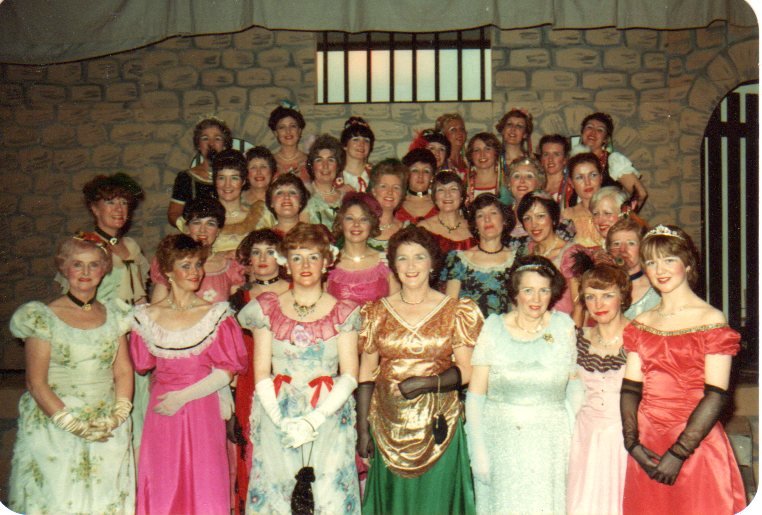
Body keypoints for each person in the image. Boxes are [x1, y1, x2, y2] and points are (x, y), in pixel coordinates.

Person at [357, 225, 484, 514]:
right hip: (387, 427)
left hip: (439, 426)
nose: (411, 266)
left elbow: (467, 370)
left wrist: (426, 383)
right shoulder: (376, 311)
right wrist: (363, 430)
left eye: (419, 257)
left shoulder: (455, 310)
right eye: (402, 258)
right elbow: (366, 372)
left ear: (432, 263)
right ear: (393, 265)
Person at [620, 225, 746, 514]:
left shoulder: (711, 319)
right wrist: (632, 444)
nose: (659, 270)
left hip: (694, 441)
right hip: (647, 442)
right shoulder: (642, 323)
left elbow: (716, 395)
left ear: (687, 264)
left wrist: (679, 453)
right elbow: (630, 389)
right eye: (651, 262)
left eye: (669, 260)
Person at [237, 223, 361, 514]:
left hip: (327, 415)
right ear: (286, 264)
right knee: (279, 496)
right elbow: (261, 374)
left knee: (328, 496)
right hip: (279, 413)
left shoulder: (343, 311)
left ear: (326, 263)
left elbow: (350, 376)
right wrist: (281, 421)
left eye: (313, 257)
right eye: (297, 257)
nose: (305, 265)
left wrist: (313, 421)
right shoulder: (267, 308)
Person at [8, 235, 134, 513]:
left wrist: (119, 414)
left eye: (94, 265)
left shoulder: (115, 314)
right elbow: (36, 382)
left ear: (104, 270)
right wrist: (70, 423)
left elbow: (124, 370)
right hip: (57, 422)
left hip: (105, 424)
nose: (86, 272)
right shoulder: (43, 317)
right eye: (78, 264)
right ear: (64, 269)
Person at [130, 234, 248, 515]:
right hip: (163, 407)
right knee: (163, 478)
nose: (195, 272)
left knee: (204, 479)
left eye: (197, 265)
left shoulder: (215, 314)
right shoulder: (147, 316)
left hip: (201, 404)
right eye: (186, 266)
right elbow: (142, 364)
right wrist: (172, 397)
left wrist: (183, 396)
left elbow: (227, 370)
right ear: (168, 272)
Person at [466, 254, 580, 514]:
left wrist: (574, 436)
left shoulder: (563, 327)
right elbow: (475, 396)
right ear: (516, 292)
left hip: (551, 443)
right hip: (502, 441)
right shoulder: (493, 328)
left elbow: (574, 387)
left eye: (544, 291)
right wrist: (478, 449)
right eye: (528, 290)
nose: (536, 299)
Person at [228, 229, 290, 515]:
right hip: (249, 383)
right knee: (252, 452)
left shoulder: (295, 291)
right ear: (248, 259)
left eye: (270, 251)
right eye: (256, 252)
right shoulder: (238, 298)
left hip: (288, 380)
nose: (263, 258)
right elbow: (231, 351)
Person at [567, 264, 632, 515]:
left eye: (607, 295)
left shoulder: (640, 337)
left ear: (622, 296)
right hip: (584, 439)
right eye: (591, 296)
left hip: (625, 438)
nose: (598, 304)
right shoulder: (577, 339)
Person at [151, 197, 245, 304]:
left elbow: (237, 309)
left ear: (218, 230)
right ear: (187, 228)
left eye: (210, 223)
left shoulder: (230, 263)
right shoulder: (171, 259)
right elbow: (157, 307)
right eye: (196, 222)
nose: (203, 230)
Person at [79, 172, 148, 305]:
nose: (119, 209)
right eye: (110, 202)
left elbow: (140, 298)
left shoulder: (131, 245)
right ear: (95, 209)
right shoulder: (85, 246)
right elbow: (81, 301)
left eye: (124, 202)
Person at [443, 193, 516, 317]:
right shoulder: (459, 260)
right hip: (467, 328)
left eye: (493, 213)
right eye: (480, 215)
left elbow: (518, 309)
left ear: (504, 220)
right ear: (475, 225)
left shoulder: (517, 260)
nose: (487, 219)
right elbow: (449, 309)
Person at [518, 191, 585, 324]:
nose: (534, 224)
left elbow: (580, 306)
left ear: (553, 219)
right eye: (527, 218)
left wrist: (572, 335)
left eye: (540, 216)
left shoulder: (571, 253)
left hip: (562, 328)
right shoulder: (524, 252)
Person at [327, 193, 398, 307]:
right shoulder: (328, 263)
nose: (356, 224)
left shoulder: (385, 261)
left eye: (364, 219)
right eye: (350, 218)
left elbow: (397, 306)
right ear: (341, 223)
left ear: (371, 224)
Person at [572, 112, 648, 210]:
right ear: (582, 133)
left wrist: (624, 216)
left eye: (600, 130)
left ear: (605, 139)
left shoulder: (613, 161)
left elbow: (640, 194)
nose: (593, 132)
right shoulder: (573, 161)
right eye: (589, 127)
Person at [168, 117, 233, 227]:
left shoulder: (235, 177)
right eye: (205, 138)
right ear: (198, 145)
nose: (211, 143)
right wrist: (187, 228)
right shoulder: (186, 177)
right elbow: (174, 213)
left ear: (225, 145)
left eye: (217, 138)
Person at [201, 149, 267, 254]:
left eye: (234, 178)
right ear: (215, 181)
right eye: (222, 178)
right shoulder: (201, 218)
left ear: (243, 181)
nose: (227, 185)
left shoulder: (262, 215)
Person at [606, 217, 660, 319]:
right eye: (616, 244)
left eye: (631, 243)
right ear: (609, 250)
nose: (622, 249)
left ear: (642, 248)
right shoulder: (602, 287)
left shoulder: (657, 290)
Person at [418, 171, 476, 255]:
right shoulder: (424, 229)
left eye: (453, 189)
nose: (447, 194)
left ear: (461, 197)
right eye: (441, 190)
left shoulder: (473, 227)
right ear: (435, 198)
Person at [304, 134, 354, 228]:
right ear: (312, 166)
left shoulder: (347, 197)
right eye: (319, 160)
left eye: (331, 160)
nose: (325, 166)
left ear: (338, 165)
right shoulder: (304, 197)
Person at [562, 152, 605, 248]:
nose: (587, 182)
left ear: (601, 177)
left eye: (593, 175)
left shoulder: (616, 209)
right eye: (579, 177)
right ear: (571, 183)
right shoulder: (567, 216)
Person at [367, 159, 407, 252]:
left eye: (396, 187)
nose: (390, 192)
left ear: (402, 194)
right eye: (383, 186)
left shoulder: (407, 230)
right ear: (374, 191)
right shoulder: (360, 227)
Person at [464, 132, 512, 205]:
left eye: (487, 149)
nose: (482, 154)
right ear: (471, 155)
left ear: (496, 153)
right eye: (477, 150)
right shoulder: (465, 185)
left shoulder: (507, 182)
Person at [506, 156, 546, 238]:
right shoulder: (502, 215)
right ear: (509, 183)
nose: (522, 181)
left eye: (529, 176)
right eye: (516, 176)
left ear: (539, 183)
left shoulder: (548, 213)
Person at [269, 104, 309, 183]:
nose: (288, 131)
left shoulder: (310, 161)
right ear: (275, 133)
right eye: (282, 127)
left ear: (299, 130)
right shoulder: (269, 163)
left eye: (293, 126)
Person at [396, 148, 438, 224]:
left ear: (432, 176)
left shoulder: (440, 204)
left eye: (426, 171)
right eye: (415, 170)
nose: (420, 175)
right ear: (407, 174)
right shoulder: (395, 204)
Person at [265, 173, 311, 237]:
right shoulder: (264, 237)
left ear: (301, 201)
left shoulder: (315, 235)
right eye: (279, 193)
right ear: (271, 203)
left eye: (292, 192)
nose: (286, 196)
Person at [242, 146, 277, 228]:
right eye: (253, 168)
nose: (259, 172)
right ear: (246, 173)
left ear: (271, 171)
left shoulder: (280, 199)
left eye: (263, 167)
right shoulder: (237, 199)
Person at [341, 116, 375, 192]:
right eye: (356, 140)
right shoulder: (333, 174)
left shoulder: (377, 174)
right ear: (345, 145)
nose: (361, 144)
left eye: (366, 140)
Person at [538, 134, 571, 206]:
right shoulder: (536, 186)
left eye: (556, 154)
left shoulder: (572, 187)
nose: (550, 159)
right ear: (541, 159)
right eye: (546, 154)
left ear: (565, 159)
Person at [435, 113, 469, 178]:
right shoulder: (439, 162)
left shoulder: (468, 161)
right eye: (453, 130)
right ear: (443, 135)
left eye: (462, 129)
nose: (459, 133)